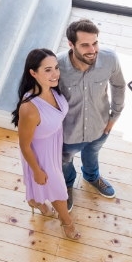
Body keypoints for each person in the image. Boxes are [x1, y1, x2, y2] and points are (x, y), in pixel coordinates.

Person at [11, 48, 80, 240]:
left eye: (56, 68)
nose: (55, 73)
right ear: (33, 73)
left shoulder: (53, 90)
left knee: (50, 186)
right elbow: (25, 145)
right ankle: (67, 223)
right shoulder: (30, 109)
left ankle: (35, 201)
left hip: (54, 144)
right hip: (39, 154)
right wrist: (37, 170)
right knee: (58, 190)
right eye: (48, 70)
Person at [58, 19, 126, 208]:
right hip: (67, 134)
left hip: (100, 127)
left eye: (95, 42)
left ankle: (92, 177)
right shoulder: (56, 66)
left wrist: (114, 117)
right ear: (71, 45)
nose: (92, 49)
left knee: (92, 154)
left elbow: (119, 85)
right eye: (85, 45)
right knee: (64, 162)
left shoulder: (109, 59)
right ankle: (67, 184)